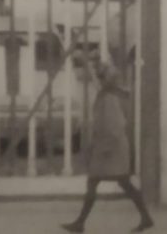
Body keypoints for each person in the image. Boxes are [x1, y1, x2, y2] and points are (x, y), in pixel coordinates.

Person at [61, 59, 154, 233]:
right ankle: (145, 218)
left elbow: (115, 127)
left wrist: (102, 150)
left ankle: (80, 223)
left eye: (99, 78)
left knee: (102, 182)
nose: (96, 81)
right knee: (122, 183)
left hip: (111, 150)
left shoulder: (108, 98)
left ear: (104, 80)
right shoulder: (108, 95)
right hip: (112, 148)